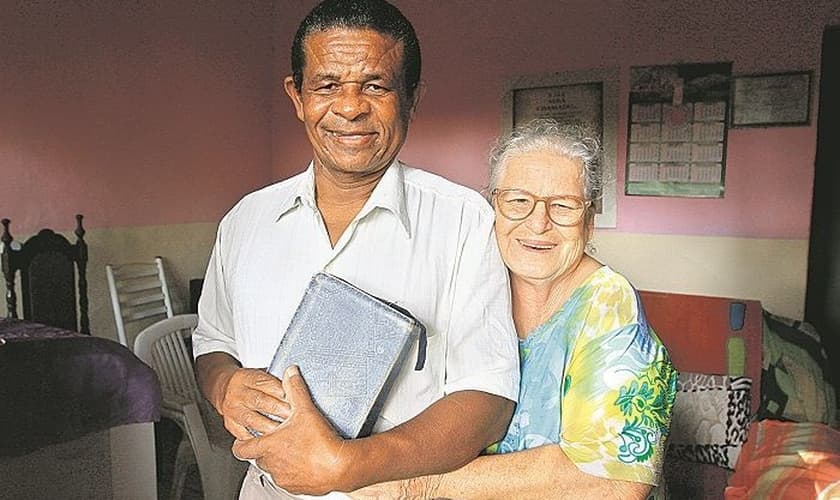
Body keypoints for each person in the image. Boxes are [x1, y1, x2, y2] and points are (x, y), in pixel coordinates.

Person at [191, 0, 520, 498]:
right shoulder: (245, 220)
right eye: (327, 86)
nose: (349, 107)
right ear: (297, 96)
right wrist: (225, 385)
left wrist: (347, 466)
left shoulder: (464, 221)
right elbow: (213, 342)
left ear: (411, 98)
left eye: (375, 85)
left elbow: (488, 399)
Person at [352, 119, 678, 500]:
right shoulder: (473, 286)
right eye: (519, 201)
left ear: (589, 222)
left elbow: (612, 482)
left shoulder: (607, 305)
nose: (538, 223)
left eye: (563, 206)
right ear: (492, 207)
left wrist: (418, 484)